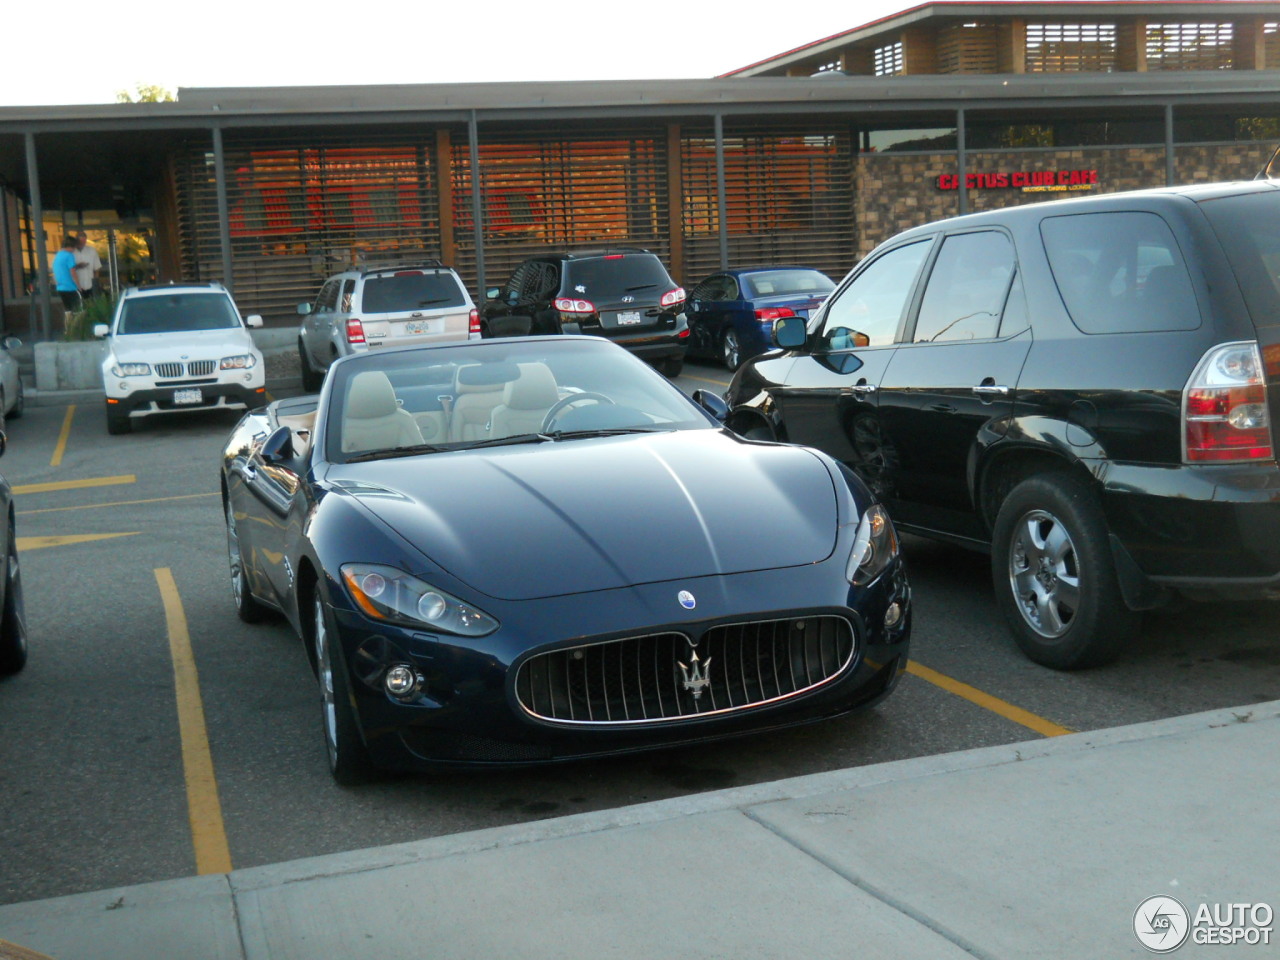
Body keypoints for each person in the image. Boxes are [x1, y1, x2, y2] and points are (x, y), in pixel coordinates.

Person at [53, 235, 82, 313]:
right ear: (71, 246)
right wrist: (79, 286)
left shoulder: (58, 255)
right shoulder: (69, 255)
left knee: (67, 310)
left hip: (60, 288)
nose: (74, 250)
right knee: (77, 310)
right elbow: (73, 272)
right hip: (70, 287)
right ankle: (75, 325)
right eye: (74, 247)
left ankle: (68, 324)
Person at [74, 230, 102, 298]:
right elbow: (67, 269)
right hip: (75, 287)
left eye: (84, 240)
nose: (83, 243)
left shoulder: (92, 251)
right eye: (81, 241)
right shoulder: (72, 252)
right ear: (76, 240)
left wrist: (95, 284)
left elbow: (97, 268)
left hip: (90, 285)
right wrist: (77, 266)